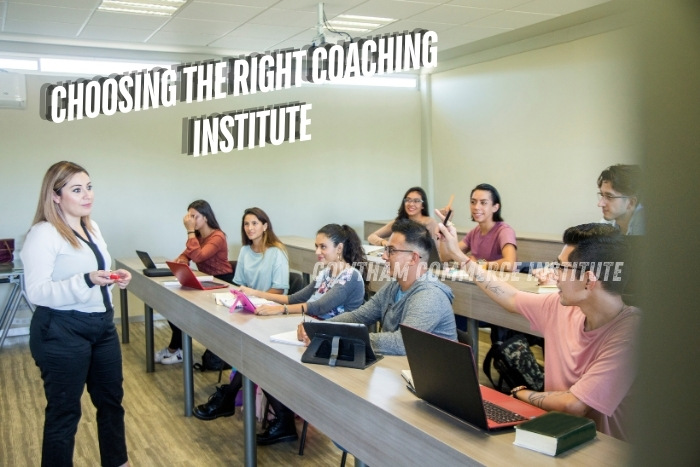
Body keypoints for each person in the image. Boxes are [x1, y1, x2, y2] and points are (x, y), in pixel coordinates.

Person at [437, 220, 640, 441]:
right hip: (556, 432)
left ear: (589, 280)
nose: (555, 274)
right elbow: (510, 297)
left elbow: (574, 405)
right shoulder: (562, 307)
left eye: (562, 268)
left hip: (602, 450)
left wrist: (519, 393)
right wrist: (460, 257)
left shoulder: (632, 333)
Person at [21, 161, 132, 467]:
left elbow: (94, 273)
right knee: (65, 411)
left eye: (89, 187)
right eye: (77, 189)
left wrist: (113, 279)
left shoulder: (91, 226)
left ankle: (117, 462)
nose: (87, 195)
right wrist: (86, 280)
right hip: (60, 330)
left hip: (101, 327)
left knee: (111, 403)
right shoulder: (43, 234)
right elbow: (38, 292)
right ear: (55, 196)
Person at [241, 224, 368, 446]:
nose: (317, 251)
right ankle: (283, 419)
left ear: (339, 248)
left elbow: (318, 307)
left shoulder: (351, 277)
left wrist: (279, 310)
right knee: (259, 355)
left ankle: (283, 419)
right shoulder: (326, 273)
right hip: (312, 335)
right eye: (316, 246)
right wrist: (255, 294)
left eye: (323, 247)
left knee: (267, 359)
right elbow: (295, 298)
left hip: (335, 342)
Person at [302, 218, 457, 355]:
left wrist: (335, 336)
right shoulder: (393, 287)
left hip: (434, 380)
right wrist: (318, 328)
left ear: (413, 258)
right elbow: (359, 316)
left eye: (391, 251)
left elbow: (400, 343)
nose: (384, 256)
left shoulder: (430, 295)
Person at [191, 207, 289, 420]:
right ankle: (232, 395)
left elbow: (279, 290)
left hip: (271, 312)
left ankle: (228, 396)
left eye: (255, 223)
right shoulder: (245, 251)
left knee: (250, 354)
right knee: (240, 346)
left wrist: (254, 296)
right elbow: (239, 285)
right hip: (249, 310)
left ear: (265, 226)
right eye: (246, 224)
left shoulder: (277, 252)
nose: (250, 228)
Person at [155, 199, 233, 365]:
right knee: (174, 306)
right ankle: (177, 349)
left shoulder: (218, 236)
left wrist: (190, 232)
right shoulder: (198, 236)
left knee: (182, 310)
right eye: (189, 216)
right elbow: (187, 254)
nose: (190, 220)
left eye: (194, 216)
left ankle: (177, 349)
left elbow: (198, 256)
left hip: (221, 283)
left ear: (205, 217)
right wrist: (183, 259)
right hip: (206, 282)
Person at [437, 183, 517, 272]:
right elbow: (446, 257)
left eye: (483, 203)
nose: (476, 207)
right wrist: (445, 225)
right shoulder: (475, 232)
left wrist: (478, 264)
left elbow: (510, 264)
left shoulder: (504, 231)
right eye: (473, 202)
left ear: (495, 207)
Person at [367, 186, 438, 248]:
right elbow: (371, 237)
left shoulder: (430, 222)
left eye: (416, 201)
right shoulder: (399, 221)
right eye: (408, 200)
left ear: (423, 205)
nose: (411, 204)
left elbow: (437, 248)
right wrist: (383, 242)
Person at [597, 164, 645, 235]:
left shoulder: (645, 227)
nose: (600, 204)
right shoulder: (607, 223)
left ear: (631, 203)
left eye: (609, 196)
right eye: (602, 195)